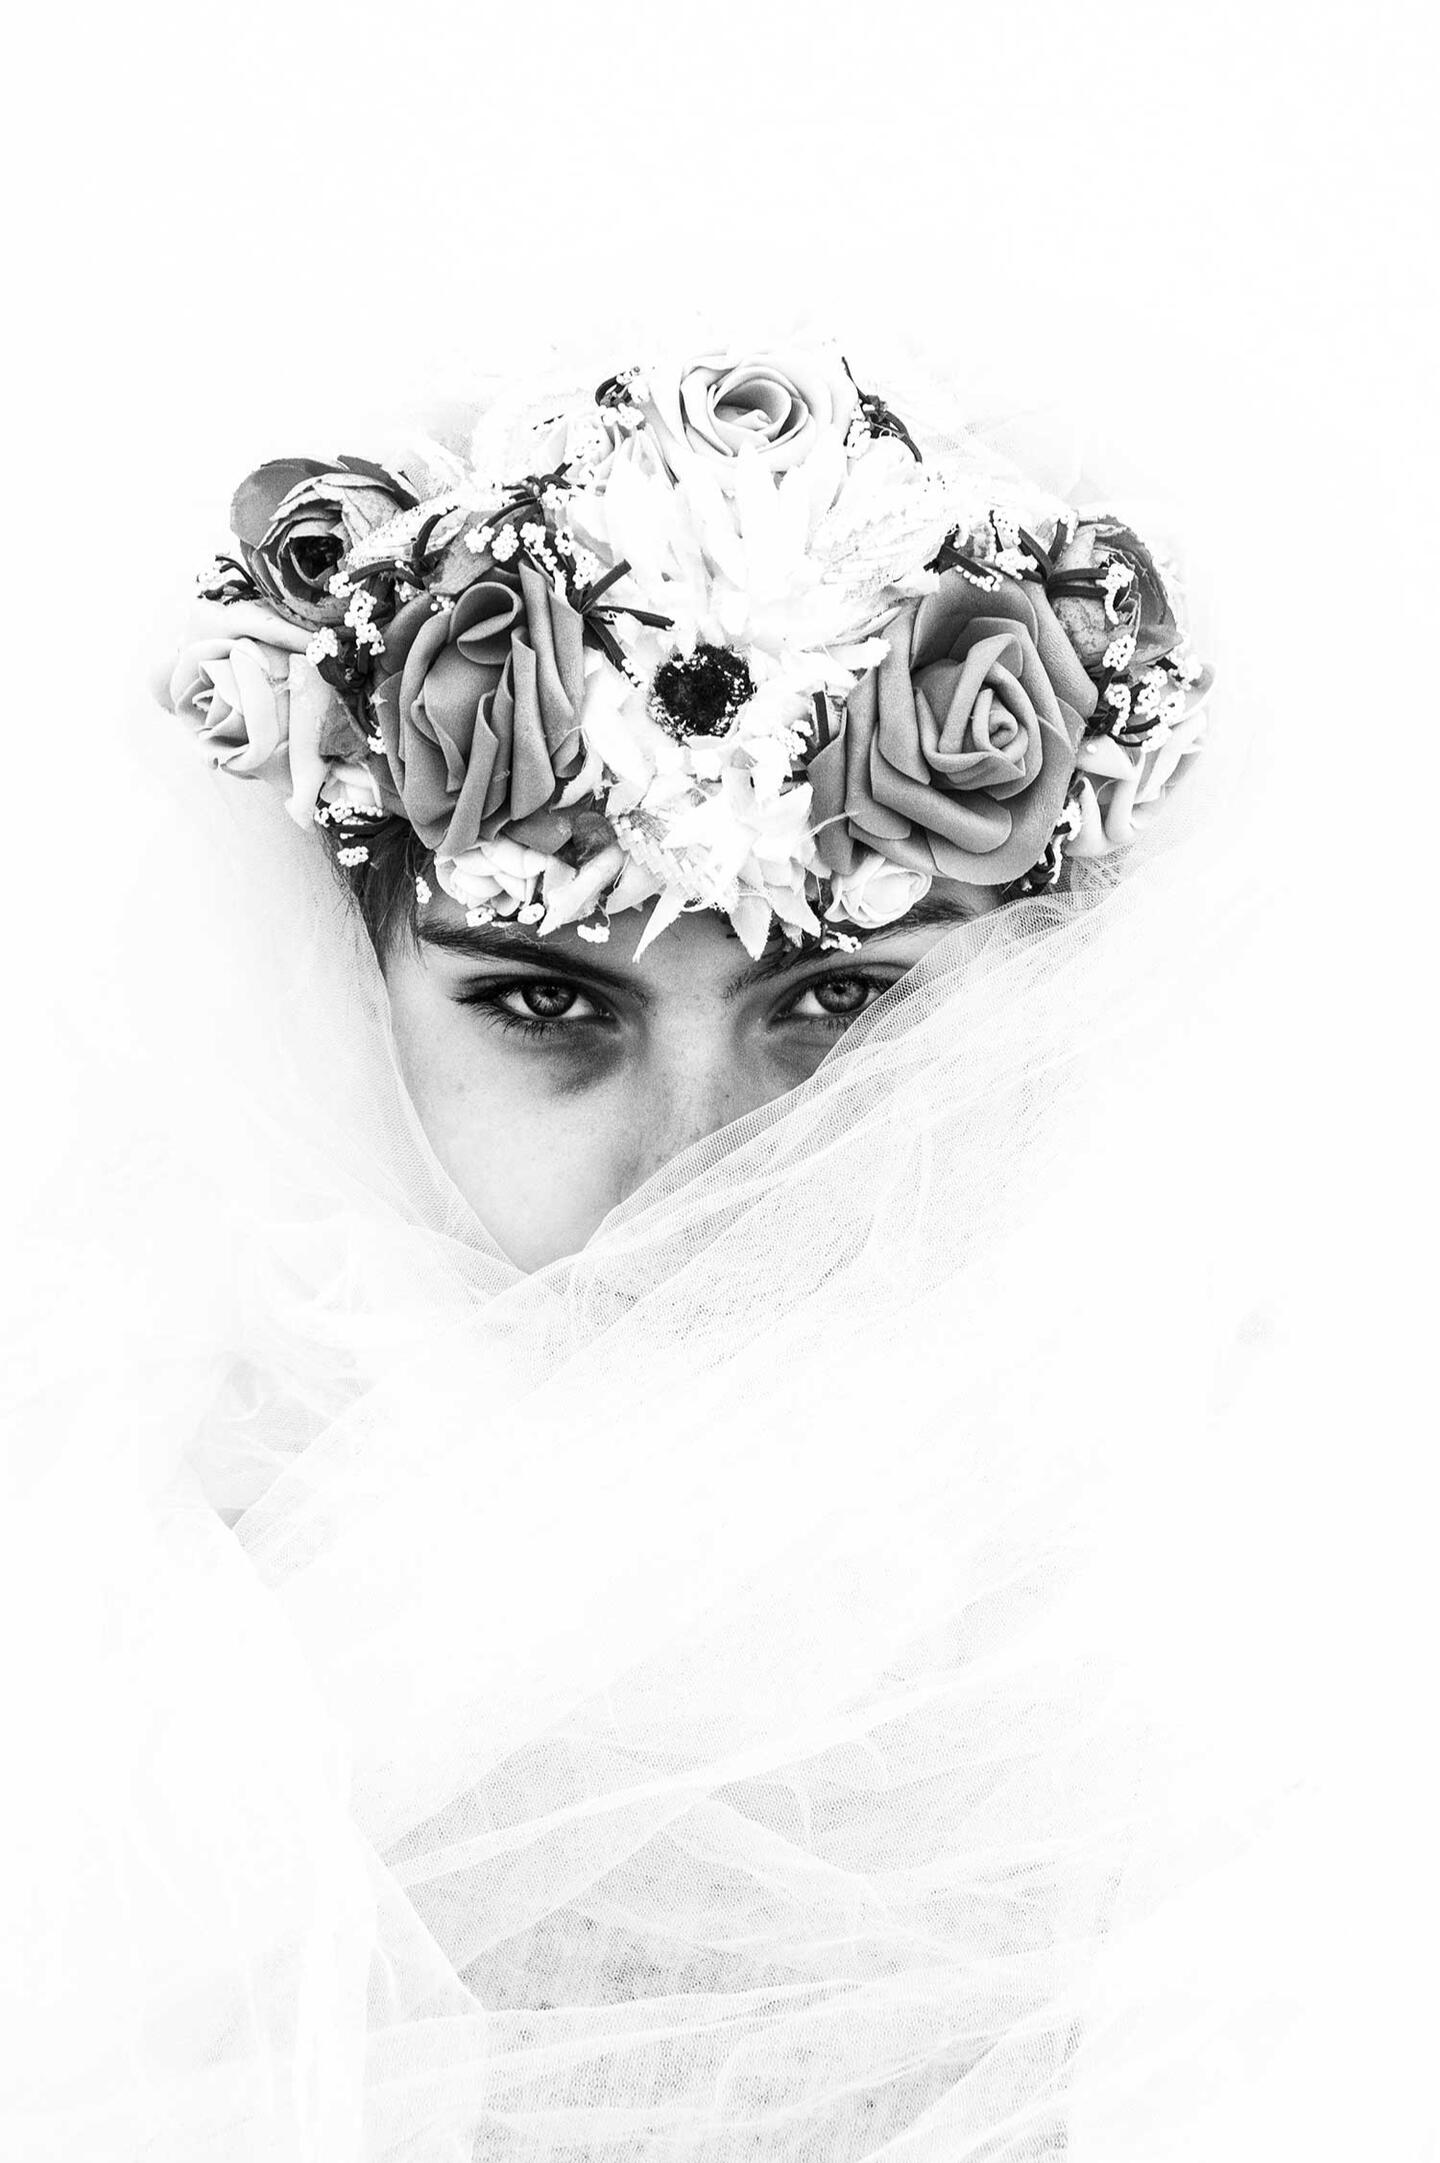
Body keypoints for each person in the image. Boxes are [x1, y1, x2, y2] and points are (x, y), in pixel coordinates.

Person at [3, 344, 1287, 2160]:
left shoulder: (1245, 1639)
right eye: (547, 1003)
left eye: (837, 1005)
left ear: (1041, 1005)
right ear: (333, 995)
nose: (702, 1172)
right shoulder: (111, 1625)